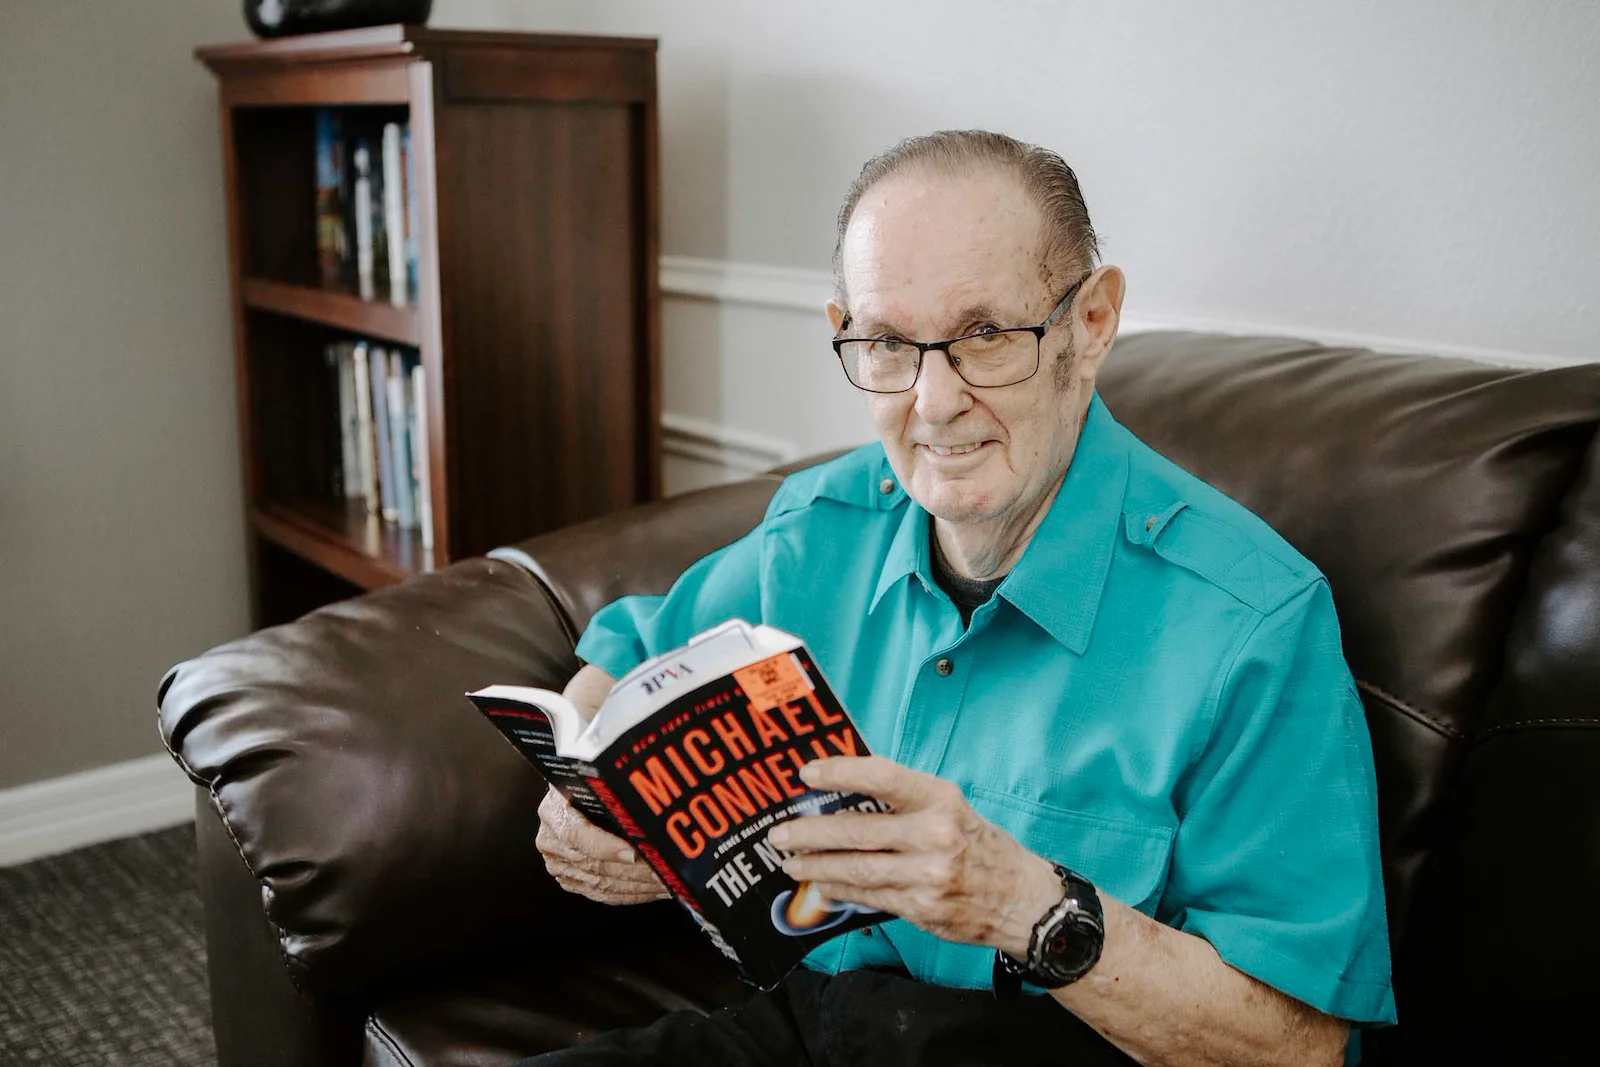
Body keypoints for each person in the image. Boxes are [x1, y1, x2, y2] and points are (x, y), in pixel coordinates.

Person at [522, 130, 1395, 1067]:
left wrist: (1024, 904)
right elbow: (622, 657)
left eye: (985, 334)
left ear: (1091, 324)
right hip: (803, 1022)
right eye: (890, 343)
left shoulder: (1254, 623)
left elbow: (1299, 1044)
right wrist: (584, 796)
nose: (933, 403)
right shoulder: (823, 521)